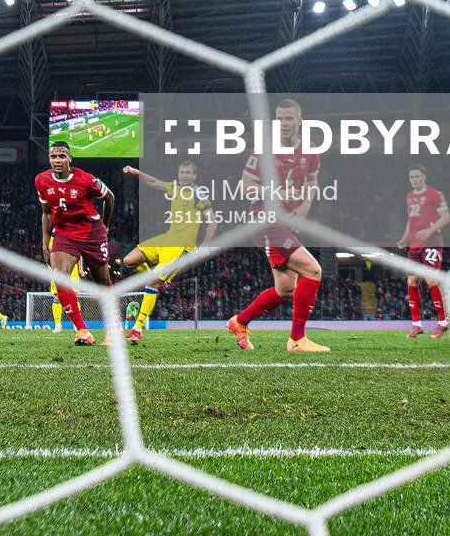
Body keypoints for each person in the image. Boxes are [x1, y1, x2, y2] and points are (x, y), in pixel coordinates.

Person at [227, 99, 330, 355]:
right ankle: (297, 340)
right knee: (313, 270)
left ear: (299, 121)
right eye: (280, 119)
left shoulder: (310, 149)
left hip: (284, 223)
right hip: (265, 221)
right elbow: (245, 186)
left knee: (285, 290)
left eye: (289, 118)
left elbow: (312, 180)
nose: (284, 124)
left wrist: (305, 207)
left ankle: (239, 322)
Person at [35, 141, 114, 345]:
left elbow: (110, 198)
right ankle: (82, 331)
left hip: (91, 233)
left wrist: (105, 226)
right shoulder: (41, 181)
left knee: (102, 282)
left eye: (62, 156)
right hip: (64, 234)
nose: (57, 160)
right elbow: (46, 213)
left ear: (70, 158)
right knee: (60, 278)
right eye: (53, 156)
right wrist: (45, 242)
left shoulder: (86, 180)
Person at [119, 160, 207, 343]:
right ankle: (158, 279)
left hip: (181, 247)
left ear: (195, 176)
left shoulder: (199, 195)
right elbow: (154, 182)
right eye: (182, 172)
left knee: (151, 283)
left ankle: (137, 328)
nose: (184, 175)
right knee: (129, 260)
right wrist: (136, 172)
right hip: (166, 239)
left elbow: (212, 221)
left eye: (188, 172)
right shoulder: (174, 188)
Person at [396, 165, 448, 339]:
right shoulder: (409, 196)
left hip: (432, 242)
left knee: (431, 279)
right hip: (415, 244)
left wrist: (429, 230)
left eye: (417, 176)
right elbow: (411, 220)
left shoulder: (435, 194)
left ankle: (443, 322)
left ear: (424, 177)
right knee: (412, 280)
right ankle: (416, 325)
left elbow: (446, 217)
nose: (414, 180)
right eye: (411, 177)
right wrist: (404, 238)